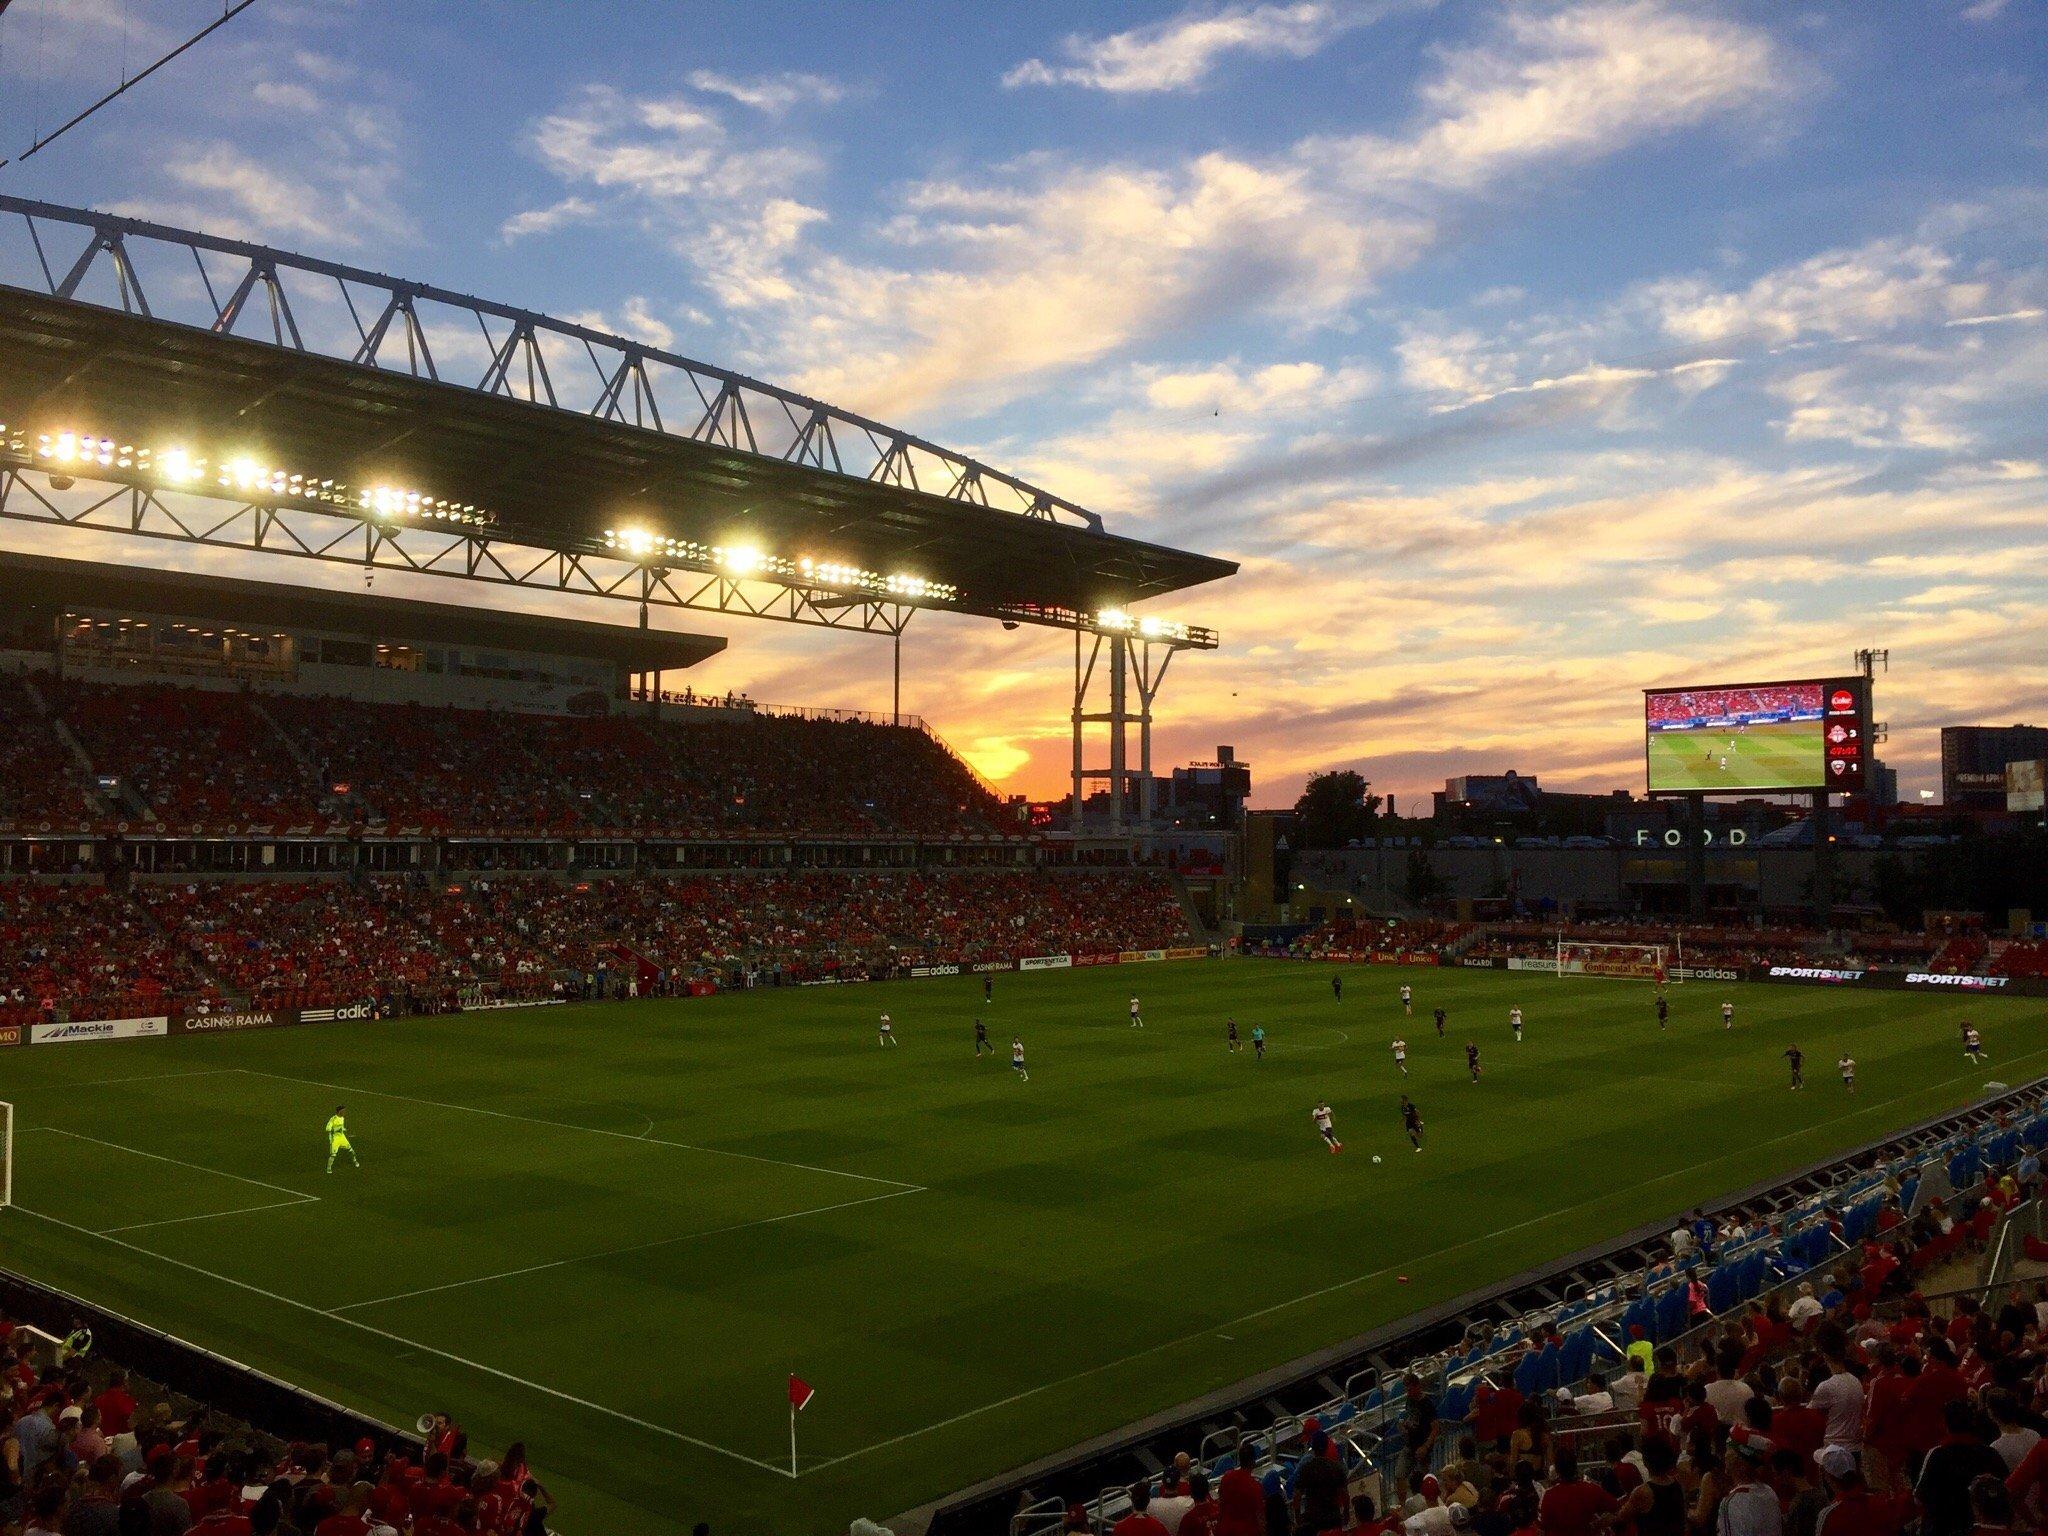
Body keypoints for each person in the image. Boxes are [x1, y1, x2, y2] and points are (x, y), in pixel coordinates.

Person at [1538, 1447, 1617, 1536]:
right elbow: (1615, 1507)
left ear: (1556, 1469)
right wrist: (1598, 1524)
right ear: (1575, 1465)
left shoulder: (1549, 1495)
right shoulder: (1591, 1489)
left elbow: (1544, 1527)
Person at [325, 1106, 359, 1173]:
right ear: (339, 1111)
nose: (344, 1112)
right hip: (335, 1139)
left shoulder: (342, 1118)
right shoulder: (333, 1119)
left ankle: (355, 1161)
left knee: (351, 1151)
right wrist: (330, 1138)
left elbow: (342, 1127)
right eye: (343, 1111)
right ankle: (328, 1168)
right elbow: (328, 1129)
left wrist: (345, 1130)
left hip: (342, 1138)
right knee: (333, 1155)